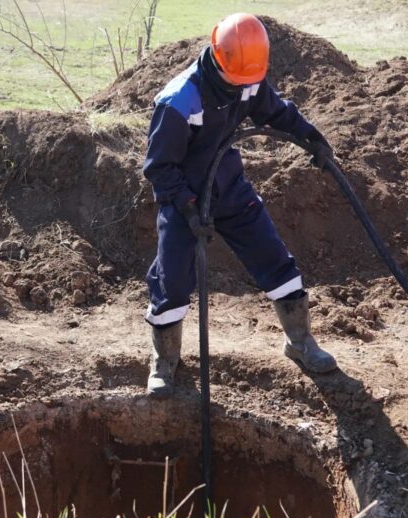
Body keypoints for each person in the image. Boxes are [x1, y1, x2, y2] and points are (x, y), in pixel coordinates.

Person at [143, 13, 338, 398]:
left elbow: (276, 111)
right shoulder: (180, 101)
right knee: (173, 281)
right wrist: (185, 206)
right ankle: (165, 362)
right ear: (218, 59)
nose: (243, 88)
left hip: (229, 187)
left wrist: (310, 137)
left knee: (274, 258)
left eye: (249, 81)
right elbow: (159, 167)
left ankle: (300, 343)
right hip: (184, 199)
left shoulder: (247, 79)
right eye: (237, 80)